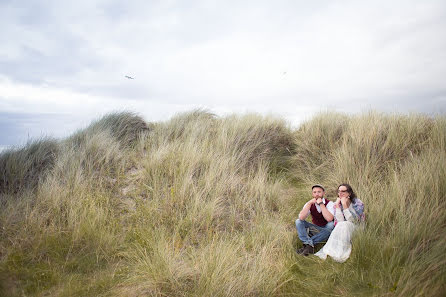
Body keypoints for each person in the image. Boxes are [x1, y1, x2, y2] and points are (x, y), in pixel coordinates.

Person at [315, 183, 365, 262]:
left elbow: (354, 221)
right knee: (342, 224)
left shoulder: (357, 203)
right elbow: (339, 222)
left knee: (345, 224)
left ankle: (341, 252)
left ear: (349, 193)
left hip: (357, 228)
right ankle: (334, 251)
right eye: (339, 191)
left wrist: (345, 205)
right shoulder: (337, 203)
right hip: (344, 228)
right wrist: (338, 207)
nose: (340, 193)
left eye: (343, 191)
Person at [295, 184, 335, 256]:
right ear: (312, 194)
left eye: (319, 192)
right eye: (315, 192)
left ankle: (307, 245)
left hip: (327, 230)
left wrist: (321, 204)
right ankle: (309, 244)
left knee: (331, 225)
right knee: (298, 221)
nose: (317, 194)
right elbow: (301, 217)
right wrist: (309, 203)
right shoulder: (309, 204)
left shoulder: (329, 203)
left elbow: (329, 219)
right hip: (315, 228)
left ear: (323, 193)